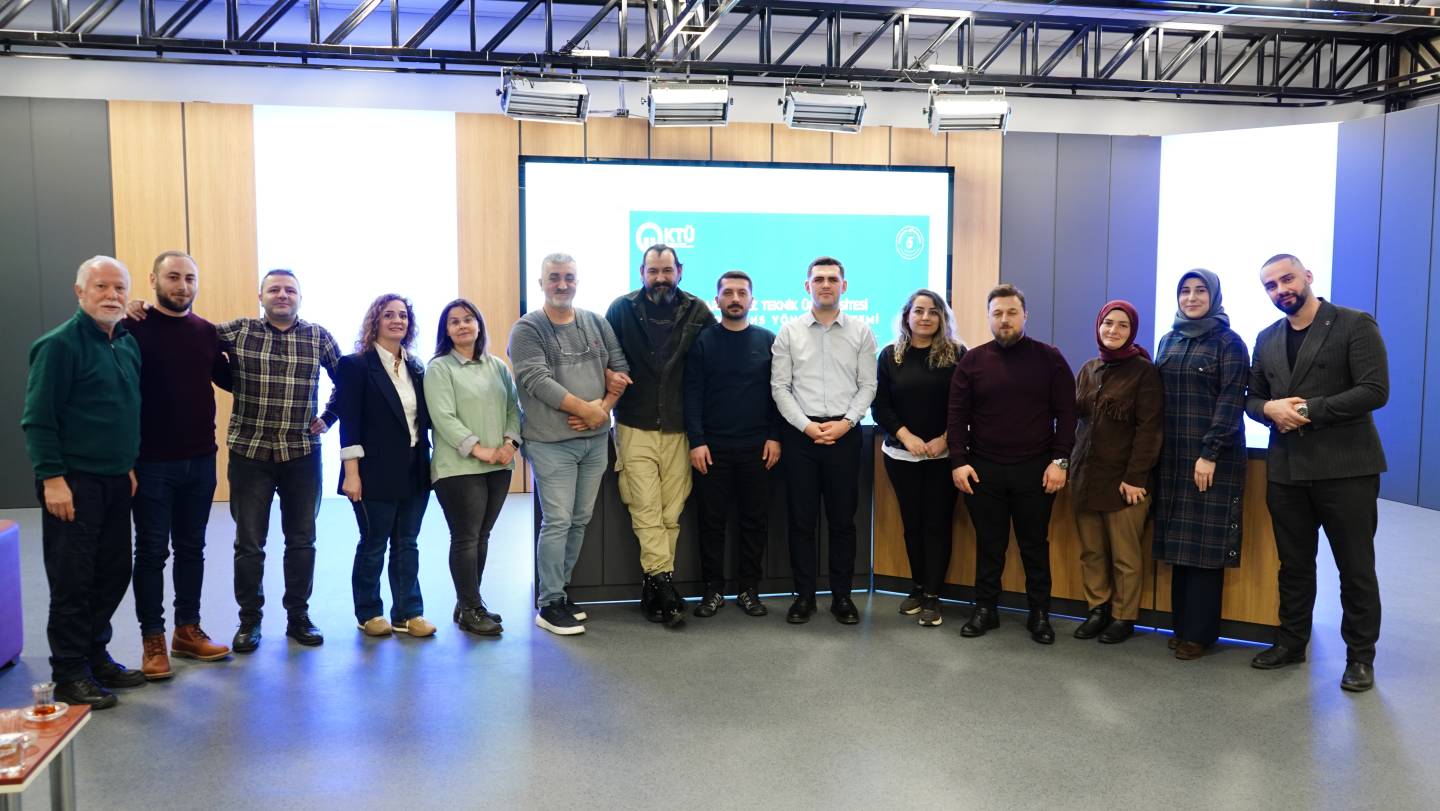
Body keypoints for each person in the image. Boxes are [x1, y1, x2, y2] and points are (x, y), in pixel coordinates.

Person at [1246, 254, 1388, 692]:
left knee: (1355, 568)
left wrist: (1307, 410)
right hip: (1287, 471)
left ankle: (1360, 657)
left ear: (1307, 276)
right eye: (1271, 286)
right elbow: (1252, 398)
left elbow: (1374, 390)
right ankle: (1292, 642)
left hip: (1346, 469)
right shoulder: (1267, 338)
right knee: (1293, 565)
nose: (1280, 290)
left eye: (1287, 279)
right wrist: (1269, 409)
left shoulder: (1353, 324)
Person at [23, 256, 145, 709]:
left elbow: (125, 411)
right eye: (101, 287)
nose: (112, 295)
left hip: (116, 479)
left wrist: (127, 464)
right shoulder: (58, 346)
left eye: (119, 288)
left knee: (112, 573)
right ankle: (70, 672)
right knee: (73, 580)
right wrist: (52, 478)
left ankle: (96, 655)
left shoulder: (126, 344)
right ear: (80, 292)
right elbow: (38, 419)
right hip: (73, 482)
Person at [948, 283, 1076, 645]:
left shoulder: (1049, 358)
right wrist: (958, 461)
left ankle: (1040, 614)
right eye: (998, 313)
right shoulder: (972, 361)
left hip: (1036, 470)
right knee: (990, 544)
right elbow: (956, 415)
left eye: (1012, 313)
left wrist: (1060, 462)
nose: (1005, 320)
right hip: (983, 470)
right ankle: (985, 609)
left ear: (1025, 316)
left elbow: (1068, 415)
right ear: (989, 318)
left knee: (1034, 545)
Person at [125, 251, 232, 681]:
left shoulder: (207, 333)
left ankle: (187, 630)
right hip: (151, 462)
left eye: (189, 278)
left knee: (192, 549)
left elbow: (231, 379)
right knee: (152, 552)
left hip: (200, 460)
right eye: (173, 277)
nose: (182, 285)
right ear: (153, 280)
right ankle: (152, 638)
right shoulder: (131, 327)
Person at [510, 253, 630, 636]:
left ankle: (559, 593)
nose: (562, 284)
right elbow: (536, 379)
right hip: (550, 443)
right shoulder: (528, 329)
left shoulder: (596, 322)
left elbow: (620, 369)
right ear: (541, 283)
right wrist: (587, 409)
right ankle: (548, 604)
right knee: (558, 521)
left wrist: (602, 410)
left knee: (579, 520)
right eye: (554, 277)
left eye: (569, 277)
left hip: (595, 442)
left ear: (577, 281)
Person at [605, 244, 716, 626]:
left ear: (679, 271)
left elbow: (709, 368)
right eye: (653, 271)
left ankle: (654, 587)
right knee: (646, 509)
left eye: (667, 271)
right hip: (634, 425)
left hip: (680, 428)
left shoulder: (699, 311)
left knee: (671, 513)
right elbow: (604, 360)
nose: (660, 278)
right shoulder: (620, 310)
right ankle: (666, 589)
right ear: (642, 272)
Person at [771, 257, 877, 625]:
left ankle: (842, 597)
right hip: (801, 437)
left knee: (842, 522)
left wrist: (847, 422)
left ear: (843, 286)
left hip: (845, 436)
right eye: (819, 279)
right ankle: (804, 597)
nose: (826, 284)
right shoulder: (789, 332)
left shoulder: (861, 332)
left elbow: (868, 385)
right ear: (808, 286)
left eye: (833, 279)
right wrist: (806, 426)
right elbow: (779, 387)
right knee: (802, 522)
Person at [1153, 269, 1249, 660]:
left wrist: (1209, 453)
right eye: (1185, 291)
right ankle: (1181, 627)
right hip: (1173, 457)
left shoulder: (1229, 342)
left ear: (1214, 297)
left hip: (1213, 457)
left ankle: (1200, 634)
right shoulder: (1169, 339)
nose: (1191, 298)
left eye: (1200, 291)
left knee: (1206, 548)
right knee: (1180, 543)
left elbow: (1231, 402)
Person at [334, 294, 435, 640]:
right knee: (374, 542)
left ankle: (408, 613)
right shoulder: (355, 365)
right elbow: (349, 423)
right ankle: (369, 612)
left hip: (415, 468)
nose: (397, 320)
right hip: (372, 472)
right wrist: (351, 474)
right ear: (375, 321)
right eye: (388, 315)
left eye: (403, 315)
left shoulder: (416, 367)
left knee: (407, 543)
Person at [683, 271, 781, 618]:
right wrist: (697, 441)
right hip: (712, 451)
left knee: (754, 523)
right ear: (718, 300)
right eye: (728, 293)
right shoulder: (703, 342)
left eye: (742, 293)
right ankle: (712, 591)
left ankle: (749, 590)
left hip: (758, 450)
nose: (735, 299)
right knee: (711, 524)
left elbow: (778, 394)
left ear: (752, 300)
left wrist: (775, 436)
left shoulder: (768, 341)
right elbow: (692, 395)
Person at [1069, 300, 1163, 645]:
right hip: (1085, 477)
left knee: (1126, 556)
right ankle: (1098, 609)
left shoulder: (1144, 372)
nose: (1113, 330)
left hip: (1125, 483)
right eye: (1108, 323)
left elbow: (1150, 429)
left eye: (1123, 325)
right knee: (1091, 551)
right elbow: (1077, 422)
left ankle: (1124, 617)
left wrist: (1136, 478)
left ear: (1132, 331)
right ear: (1099, 326)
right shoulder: (1088, 369)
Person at [425, 299, 521, 637]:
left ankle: (469, 603)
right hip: (458, 468)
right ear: (446, 331)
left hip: (499, 465)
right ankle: (470, 609)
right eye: (454, 321)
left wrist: (510, 444)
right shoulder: (439, 368)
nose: (463, 325)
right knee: (466, 537)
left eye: (468, 319)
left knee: (482, 536)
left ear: (479, 325)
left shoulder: (497, 366)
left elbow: (513, 408)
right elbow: (443, 417)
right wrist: (480, 450)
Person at [871, 289, 965, 627]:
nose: (925, 317)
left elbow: (966, 405)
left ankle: (933, 596)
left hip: (944, 456)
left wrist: (945, 440)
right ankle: (918, 587)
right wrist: (906, 436)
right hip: (901, 455)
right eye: (919, 311)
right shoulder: (890, 355)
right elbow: (880, 405)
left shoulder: (957, 354)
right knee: (913, 524)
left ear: (942, 318)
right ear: (907, 316)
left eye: (933, 312)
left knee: (937, 525)